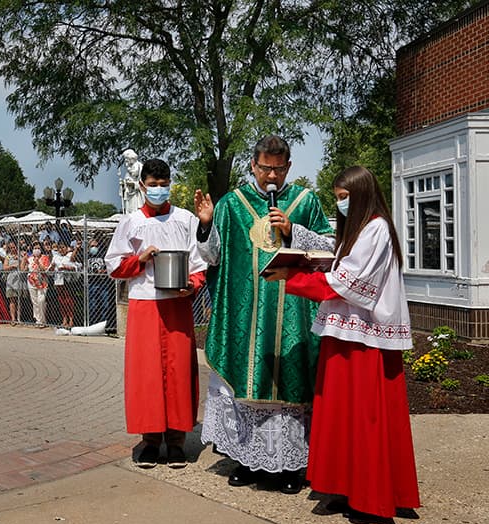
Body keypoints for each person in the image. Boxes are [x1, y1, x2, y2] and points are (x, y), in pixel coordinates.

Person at [263, 166, 419, 524]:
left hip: (366, 340)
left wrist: (295, 277)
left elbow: (348, 282)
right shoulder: (360, 228)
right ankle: (344, 486)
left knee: (365, 418)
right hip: (345, 335)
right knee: (340, 416)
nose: (340, 204)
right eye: (337, 197)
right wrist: (300, 251)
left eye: (345, 198)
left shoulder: (377, 229)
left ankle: (370, 496)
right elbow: (334, 253)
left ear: (363, 196)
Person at [194, 135, 333, 494]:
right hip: (246, 316)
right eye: (264, 168)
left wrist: (293, 231)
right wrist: (207, 224)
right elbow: (212, 258)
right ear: (253, 166)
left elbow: (329, 247)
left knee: (290, 387)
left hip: (293, 312)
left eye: (277, 168)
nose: (270, 176)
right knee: (247, 386)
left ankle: (291, 466)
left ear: (288, 167)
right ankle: (246, 459)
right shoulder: (232, 204)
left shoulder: (306, 202)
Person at [105, 158, 207, 469]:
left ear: (170, 185)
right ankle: (150, 440)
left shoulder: (186, 220)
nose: (159, 190)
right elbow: (114, 266)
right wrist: (140, 258)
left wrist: (192, 285)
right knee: (146, 373)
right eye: (153, 186)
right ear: (142, 186)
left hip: (176, 303)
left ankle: (176, 441)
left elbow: (199, 263)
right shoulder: (131, 222)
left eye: (164, 185)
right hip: (144, 302)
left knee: (179, 371)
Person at [26, 241, 50, 326]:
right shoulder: (29, 258)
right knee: (35, 302)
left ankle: (42, 320)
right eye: (35, 248)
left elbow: (45, 270)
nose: (36, 250)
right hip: (31, 282)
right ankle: (38, 319)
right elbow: (24, 268)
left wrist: (38, 263)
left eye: (38, 248)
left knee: (41, 301)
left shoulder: (45, 257)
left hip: (42, 283)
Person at [120, 149, 145, 214]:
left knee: (136, 212)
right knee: (130, 211)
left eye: (126, 158)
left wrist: (134, 184)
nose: (126, 160)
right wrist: (123, 184)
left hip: (137, 195)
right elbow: (126, 180)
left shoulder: (140, 167)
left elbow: (144, 183)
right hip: (129, 194)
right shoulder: (128, 168)